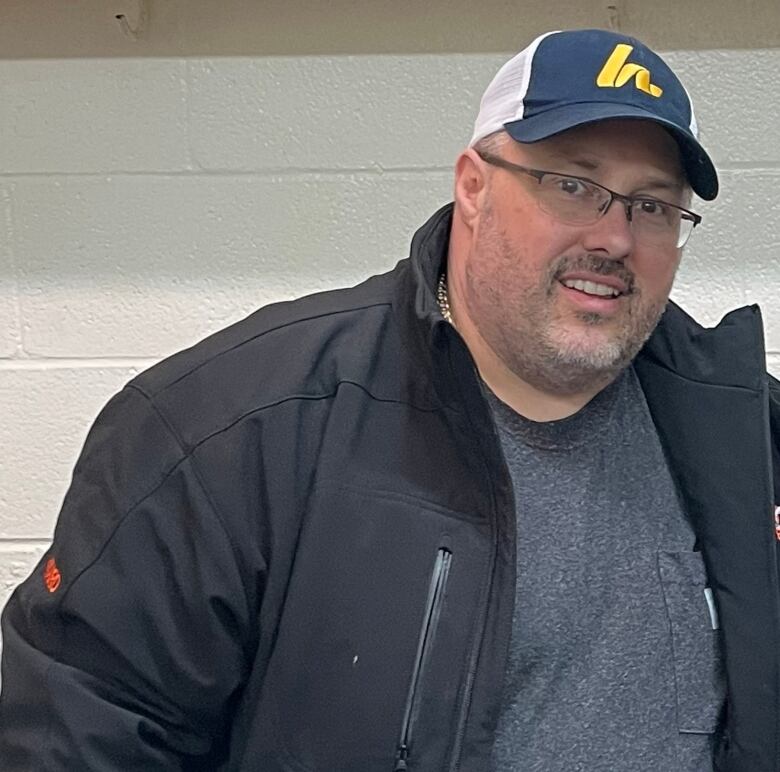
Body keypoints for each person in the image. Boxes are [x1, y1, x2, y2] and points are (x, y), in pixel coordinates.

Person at [1, 27, 778, 772]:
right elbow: (80, 734)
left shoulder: (744, 435)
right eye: (573, 185)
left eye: (652, 205)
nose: (614, 237)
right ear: (473, 186)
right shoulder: (232, 429)